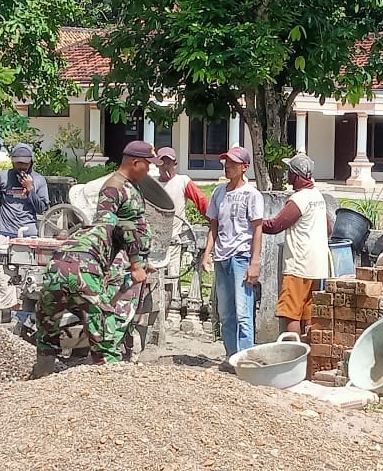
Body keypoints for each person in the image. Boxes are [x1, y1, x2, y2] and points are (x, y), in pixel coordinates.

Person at [33, 212, 138, 376]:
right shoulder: (113, 232)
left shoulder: (82, 232)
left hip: (55, 268)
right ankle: (109, 378)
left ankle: (42, 373)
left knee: (47, 326)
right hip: (83, 271)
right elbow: (129, 234)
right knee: (102, 331)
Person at [0, 143, 49, 320]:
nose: (21, 167)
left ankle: (23, 315)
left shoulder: (39, 181)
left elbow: (42, 209)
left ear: (31, 163)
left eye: (25, 164)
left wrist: (30, 190)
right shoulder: (2, 178)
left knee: (28, 277)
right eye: (18, 163)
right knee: (2, 276)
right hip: (6, 233)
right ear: (13, 162)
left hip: (29, 236)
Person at [202, 146, 264, 359]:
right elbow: (214, 226)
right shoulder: (219, 192)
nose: (227, 166)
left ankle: (246, 358)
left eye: (233, 163)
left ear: (244, 167)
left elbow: (257, 229)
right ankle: (231, 356)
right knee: (225, 313)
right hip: (222, 257)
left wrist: (254, 262)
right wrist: (207, 253)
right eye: (226, 162)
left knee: (243, 312)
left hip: (241, 256)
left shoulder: (252, 194)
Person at [93, 140, 156, 345]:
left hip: (134, 261)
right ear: (136, 162)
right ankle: (105, 356)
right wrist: (135, 262)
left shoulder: (132, 186)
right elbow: (107, 229)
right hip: (120, 264)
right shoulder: (113, 188)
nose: (149, 169)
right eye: (148, 164)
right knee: (116, 311)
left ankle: (119, 356)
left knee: (129, 313)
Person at [262, 154, 330, 335]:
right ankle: (308, 355)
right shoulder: (318, 197)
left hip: (298, 265)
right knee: (307, 313)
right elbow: (329, 228)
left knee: (291, 313)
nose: (287, 175)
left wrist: (253, 223)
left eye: (290, 172)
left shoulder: (299, 200)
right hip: (317, 266)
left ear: (296, 176)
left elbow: (276, 225)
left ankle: (294, 353)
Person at [155, 147, 208, 307]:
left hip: (175, 238)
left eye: (169, 162)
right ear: (157, 163)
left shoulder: (183, 181)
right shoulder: (152, 184)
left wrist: (214, 220)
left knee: (172, 277)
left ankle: (171, 310)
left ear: (175, 163)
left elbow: (202, 202)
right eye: (162, 161)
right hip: (154, 240)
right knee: (153, 279)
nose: (165, 165)